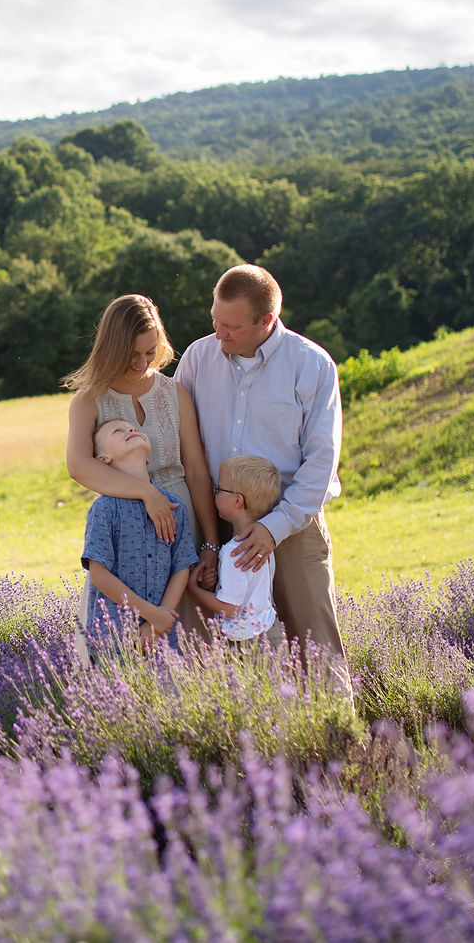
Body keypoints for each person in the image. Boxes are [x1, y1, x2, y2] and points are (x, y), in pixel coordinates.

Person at [173, 264, 345, 661]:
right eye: (215, 321)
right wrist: (209, 537)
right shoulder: (198, 358)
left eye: (231, 327)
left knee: (315, 646)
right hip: (215, 525)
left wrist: (274, 528)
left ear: (267, 320)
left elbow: (321, 461)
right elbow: (178, 439)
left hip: (292, 524)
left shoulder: (313, 366)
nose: (219, 334)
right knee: (221, 652)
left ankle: (334, 725)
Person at [63, 294, 223, 638]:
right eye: (131, 354)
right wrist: (146, 493)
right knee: (127, 635)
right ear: (111, 347)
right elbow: (79, 466)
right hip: (126, 532)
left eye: (150, 351)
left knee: (190, 638)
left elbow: (195, 472)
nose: (142, 362)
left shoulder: (175, 393)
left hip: (182, 521)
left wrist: (210, 543)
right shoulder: (88, 400)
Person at [79, 418, 198, 657]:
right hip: (114, 636)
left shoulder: (175, 506)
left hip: (163, 635)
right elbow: (99, 574)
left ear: (147, 459)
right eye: (118, 430)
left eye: (133, 428)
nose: (131, 429)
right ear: (104, 460)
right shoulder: (104, 509)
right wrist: (150, 614)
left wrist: (161, 618)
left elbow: (181, 566)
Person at [190, 455, 287, 649]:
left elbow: (230, 609)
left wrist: (193, 589)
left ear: (237, 500)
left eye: (218, 489)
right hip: (270, 631)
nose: (214, 493)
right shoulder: (263, 543)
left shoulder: (233, 551)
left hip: (246, 642)